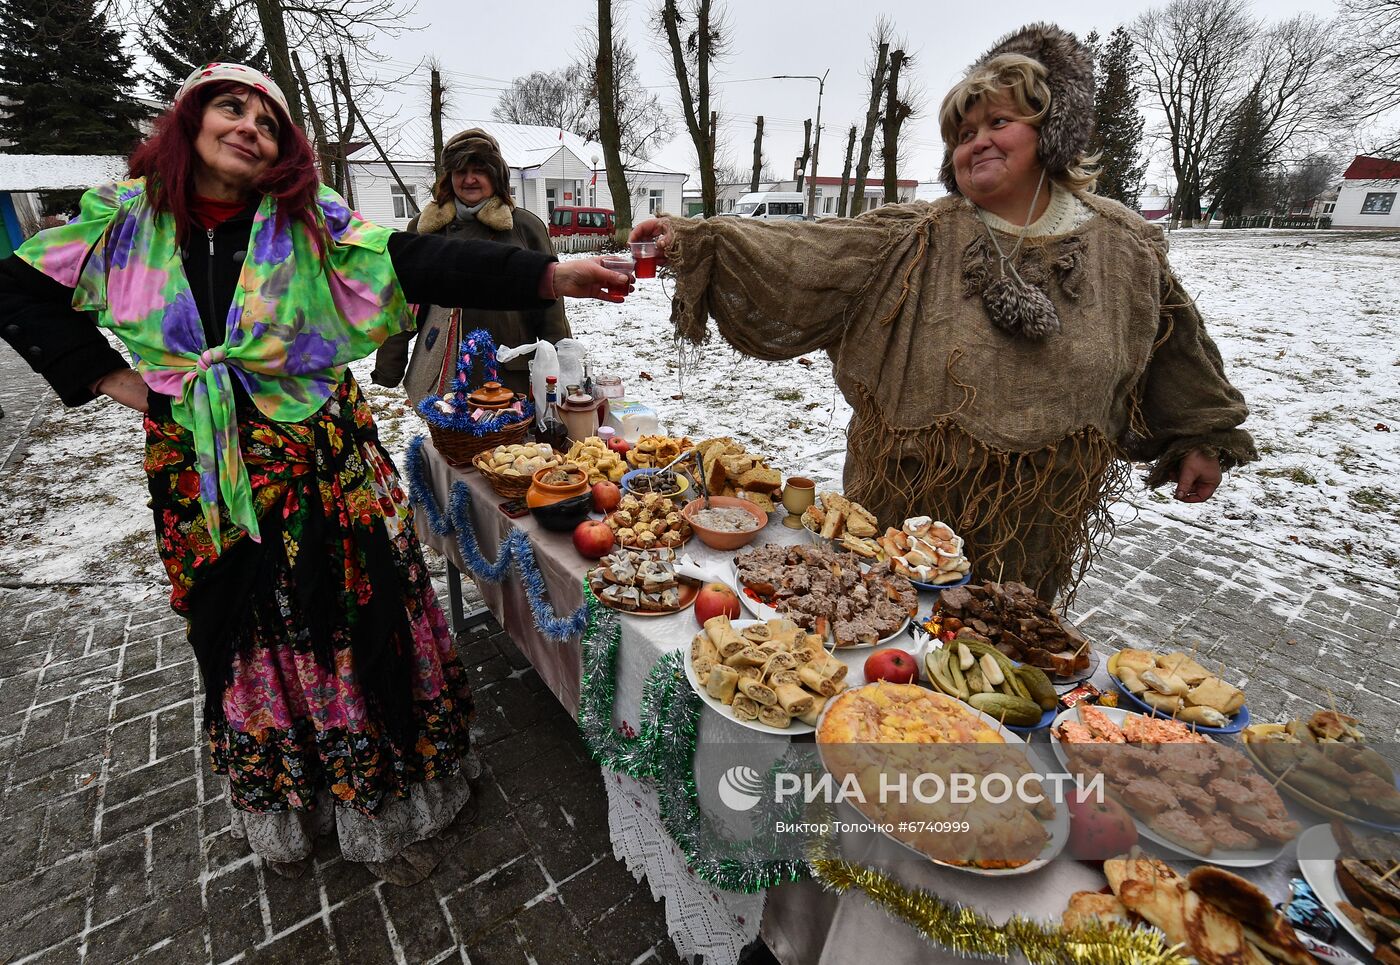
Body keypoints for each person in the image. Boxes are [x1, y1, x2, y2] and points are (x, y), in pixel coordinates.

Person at [0, 63, 631, 884]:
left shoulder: (310, 226)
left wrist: (547, 274)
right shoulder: (124, 221)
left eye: (269, 119)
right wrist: (113, 380)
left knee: (350, 619)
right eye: (231, 107)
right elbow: (16, 285)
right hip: (203, 471)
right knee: (247, 632)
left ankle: (385, 793)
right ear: (188, 122)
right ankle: (296, 798)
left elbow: (415, 259)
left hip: (321, 464)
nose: (250, 125)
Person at [629, 24, 1256, 604]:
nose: (976, 141)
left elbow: (1173, 343)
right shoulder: (916, 237)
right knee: (880, 633)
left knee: (998, 645)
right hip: (901, 501)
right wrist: (696, 240)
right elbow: (806, 251)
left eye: (998, 122)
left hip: (1036, 515)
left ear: (1052, 134)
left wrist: (1201, 438)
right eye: (962, 134)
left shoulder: (1123, 244)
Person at [372, 128, 569, 402]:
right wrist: (389, 367)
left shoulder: (524, 227)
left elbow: (551, 306)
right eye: (459, 171)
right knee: (448, 442)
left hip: (507, 366)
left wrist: (564, 364)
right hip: (443, 368)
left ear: (496, 176)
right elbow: (401, 305)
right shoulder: (424, 229)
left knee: (510, 442)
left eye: (479, 170)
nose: (469, 179)